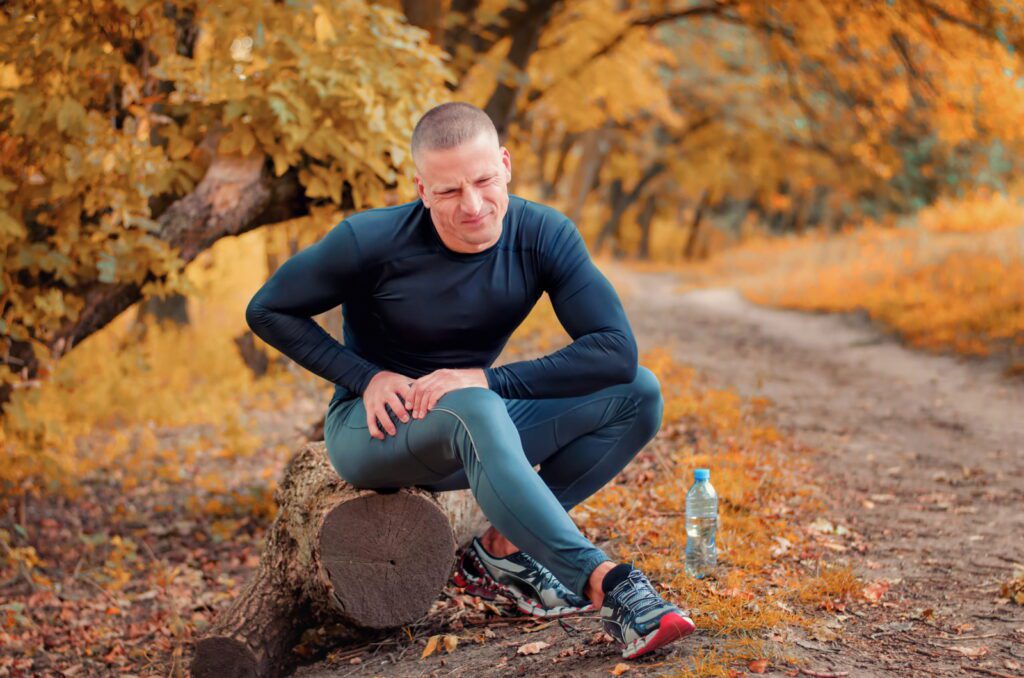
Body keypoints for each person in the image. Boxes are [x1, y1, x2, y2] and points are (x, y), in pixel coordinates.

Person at [245, 101, 695, 659]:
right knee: (476, 406)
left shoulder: (543, 234)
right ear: (421, 188)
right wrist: (366, 377)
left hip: (479, 422)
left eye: (483, 180)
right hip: (378, 432)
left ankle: (501, 551)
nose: (474, 205)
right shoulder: (369, 240)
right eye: (449, 191)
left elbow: (615, 352)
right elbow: (268, 310)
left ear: (505, 163)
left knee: (639, 394)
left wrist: (487, 377)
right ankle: (608, 584)